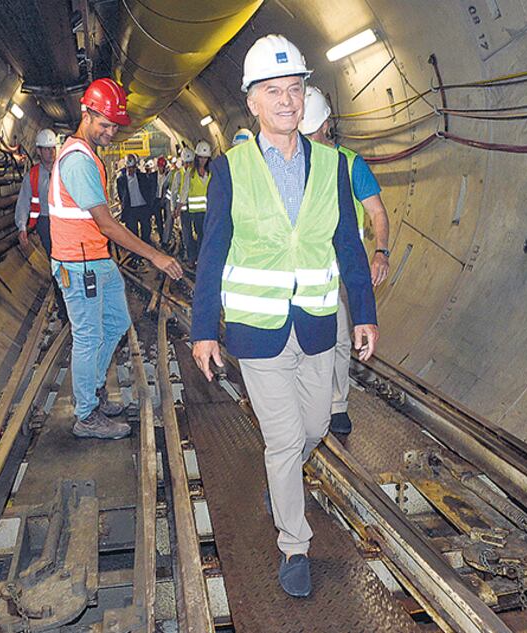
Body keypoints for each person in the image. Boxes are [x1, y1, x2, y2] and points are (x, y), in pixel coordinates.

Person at [191, 34, 377, 598]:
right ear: (252, 102)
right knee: (282, 438)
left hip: (319, 325)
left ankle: (284, 478)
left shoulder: (332, 166)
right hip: (257, 332)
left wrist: (364, 313)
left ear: (305, 96)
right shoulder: (230, 169)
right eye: (273, 91)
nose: (286, 101)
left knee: (316, 427)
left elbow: (348, 243)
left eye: (294, 89)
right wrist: (203, 330)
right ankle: (294, 545)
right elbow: (213, 249)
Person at [49, 78, 182, 439]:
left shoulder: (88, 155)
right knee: (88, 336)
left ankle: (91, 391)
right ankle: (86, 415)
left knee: (118, 323)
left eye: (114, 126)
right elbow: (106, 223)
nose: (110, 132)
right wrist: (154, 254)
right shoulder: (77, 161)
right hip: (79, 265)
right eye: (105, 124)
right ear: (86, 115)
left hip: (96, 260)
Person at [299, 86, 390, 434]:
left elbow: (377, 213)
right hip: (303, 267)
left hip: (339, 269)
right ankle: (312, 399)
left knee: (337, 337)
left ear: (326, 126)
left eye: (311, 133)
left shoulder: (350, 164)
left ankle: (336, 403)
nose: (306, 140)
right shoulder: (293, 163)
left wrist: (380, 251)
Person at [15, 128, 68, 322]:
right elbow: (24, 202)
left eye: (52, 148)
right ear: (38, 151)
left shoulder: (64, 169)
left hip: (66, 221)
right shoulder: (33, 175)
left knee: (71, 263)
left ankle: (75, 304)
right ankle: (64, 307)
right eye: (46, 149)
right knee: (56, 264)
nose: (50, 152)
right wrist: (22, 227)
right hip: (45, 223)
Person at [181, 140, 212, 267]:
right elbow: (185, 190)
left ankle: (207, 259)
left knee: (209, 236)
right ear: (197, 157)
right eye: (201, 158)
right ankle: (200, 259)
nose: (203, 160)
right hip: (197, 212)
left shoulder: (212, 172)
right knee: (200, 236)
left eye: (205, 158)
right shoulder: (191, 172)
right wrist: (179, 206)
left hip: (210, 211)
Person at [116, 153, 156, 248]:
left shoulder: (142, 177)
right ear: (126, 167)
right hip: (130, 210)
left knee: (146, 230)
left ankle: (146, 250)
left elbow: (148, 190)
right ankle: (136, 255)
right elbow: (121, 194)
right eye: (129, 168)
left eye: (133, 167)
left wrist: (150, 205)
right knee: (132, 235)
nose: (131, 170)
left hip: (143, 207)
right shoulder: (121, 179)